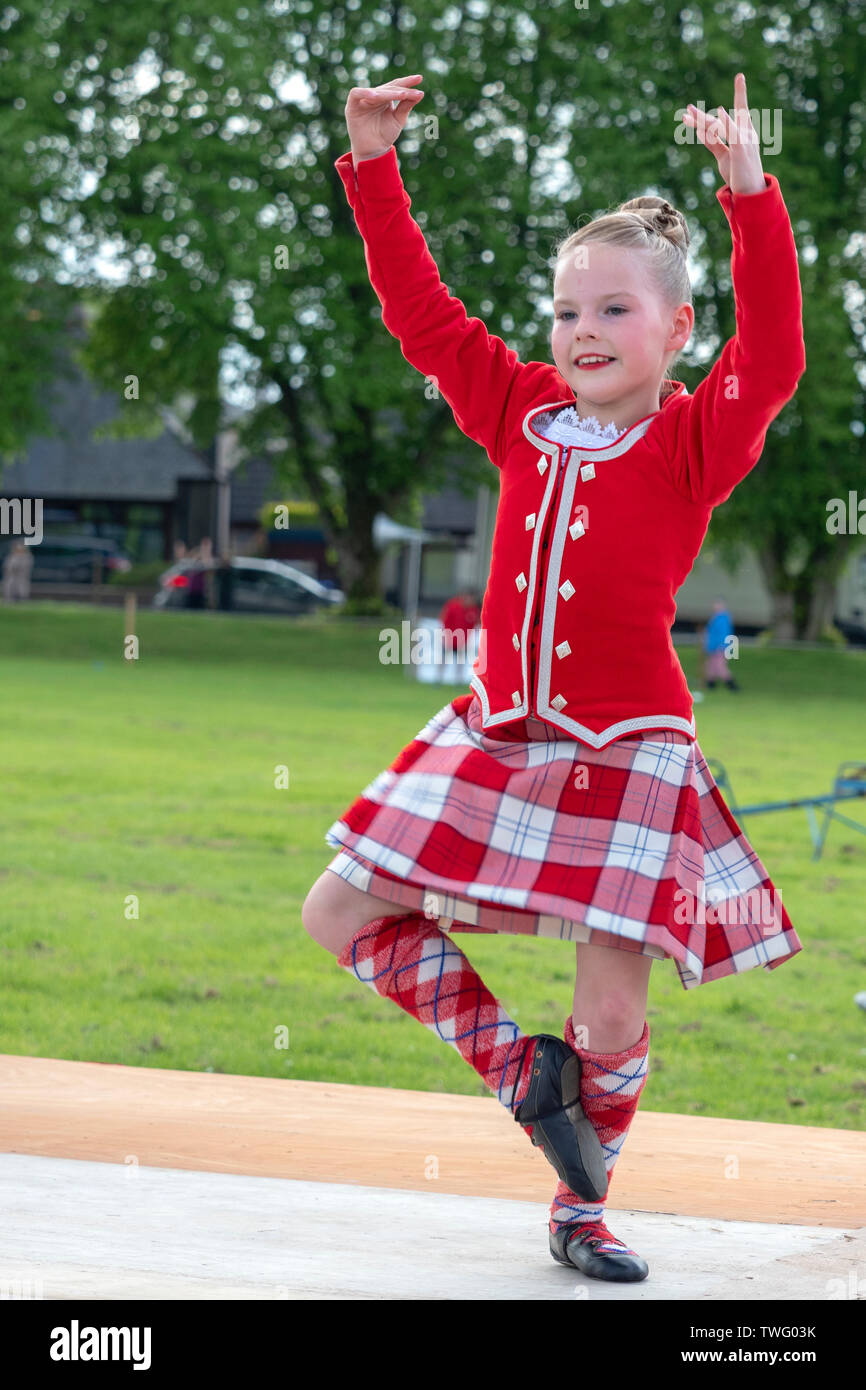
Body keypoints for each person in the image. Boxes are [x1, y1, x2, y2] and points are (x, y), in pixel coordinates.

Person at [302, 72, 806, 1284]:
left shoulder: (692, 437)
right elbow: (423, 317)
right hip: (498, 736)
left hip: (627, 751)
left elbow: (776, 350)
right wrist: (372, 165)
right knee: (339, 909)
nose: (580, 330)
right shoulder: (520, 408)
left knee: (615, 1016)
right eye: (567, 309)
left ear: (675, 332)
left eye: (614, 310)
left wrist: (748, 190)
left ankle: (581, 1209)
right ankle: (515, 1067)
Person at [437, 588, 481, 682]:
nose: (472, 601)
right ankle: (438, 679)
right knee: (444, 659)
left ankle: (458, 680)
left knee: (460, 661)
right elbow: (445, 621)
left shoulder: (473, 610)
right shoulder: (453, 606)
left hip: (462, 641)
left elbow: (475, 625)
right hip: (450, 638)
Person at [703, 597, 740, 690]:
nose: (715, 606)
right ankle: (711, 685)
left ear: (723, 605)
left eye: (718, 604)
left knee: (720, 666)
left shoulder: (723, 618)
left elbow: (724, 634)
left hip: (721, 646)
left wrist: (722, 646)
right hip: (714, 646)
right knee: (711, 665)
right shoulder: (716, 618)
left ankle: (732, 686)